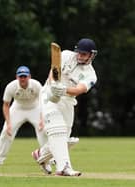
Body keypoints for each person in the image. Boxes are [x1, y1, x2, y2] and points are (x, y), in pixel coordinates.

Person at [31, 38, 98, 176]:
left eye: (84, 54)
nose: (80, 56)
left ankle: (41, 154)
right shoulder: (66, 55)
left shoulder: (91, 75)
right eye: (79, 53)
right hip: (48, 94)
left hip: (68, 100)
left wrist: (64, 90)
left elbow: (79, 89)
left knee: (63, 137)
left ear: (91, 55)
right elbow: (53, 70)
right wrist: (53, 85)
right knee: (58, 130)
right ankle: (64, 168)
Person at [0, 66, 46, 166]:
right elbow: (6, 105)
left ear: (29, 76)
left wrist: (42, 119)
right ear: (17, 77)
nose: (23, 79)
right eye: (21, 77)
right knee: (6, 131)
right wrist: (8, 123)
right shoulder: (11, 87)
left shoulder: (36, 85)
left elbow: (43, 102)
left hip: (35, 108)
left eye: (25, 76)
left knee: (43, 130)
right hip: (17, 108)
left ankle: (48, 157)